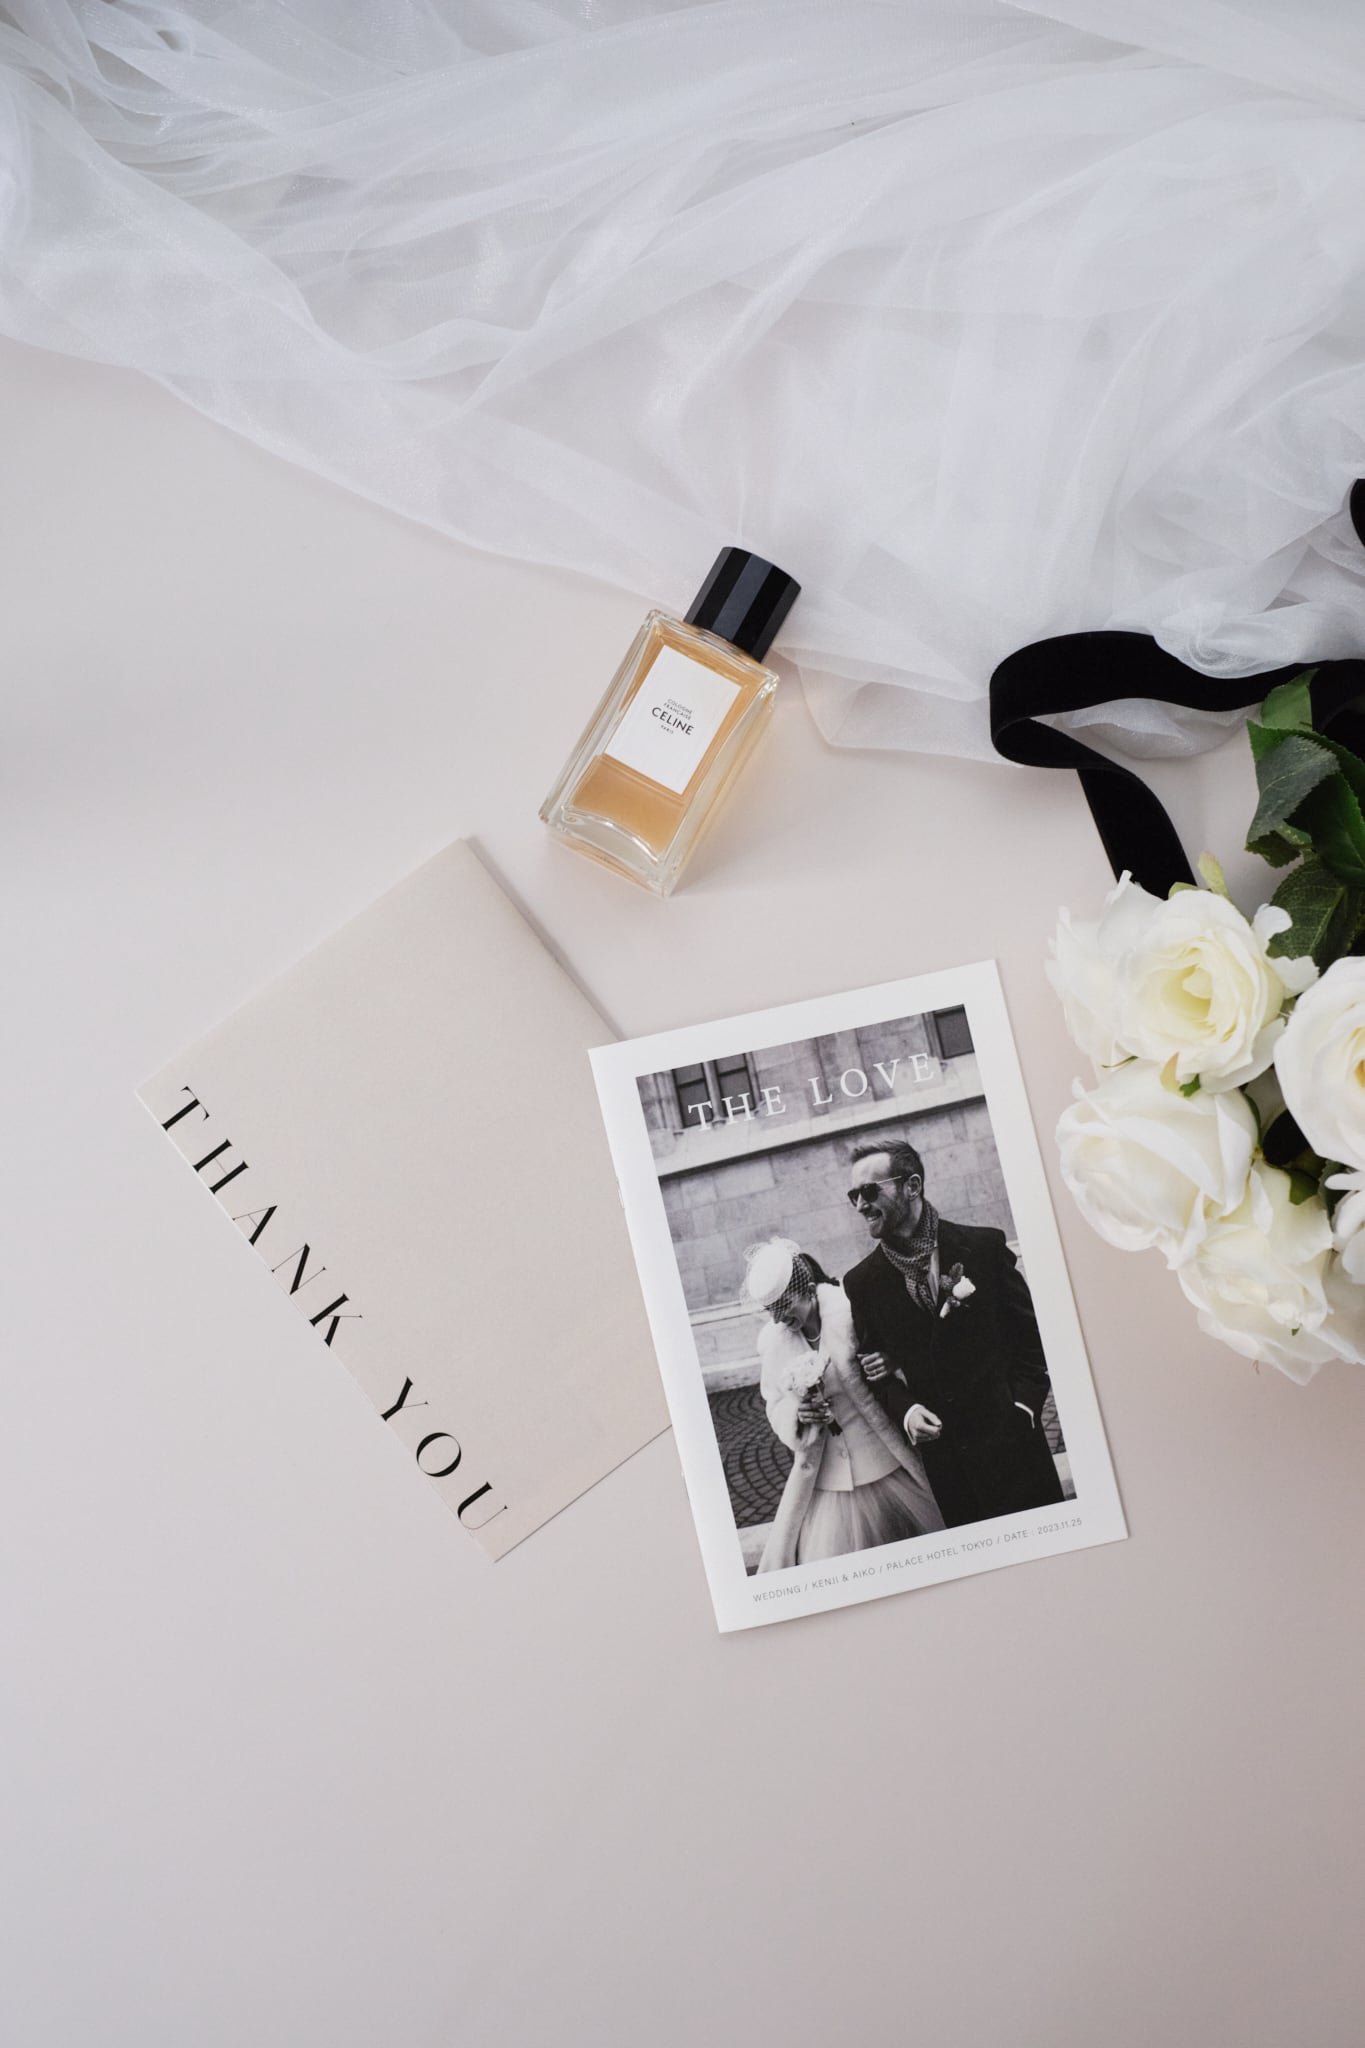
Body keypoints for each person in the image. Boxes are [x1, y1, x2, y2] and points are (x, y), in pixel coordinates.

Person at [842, 1139, 1064, 1529]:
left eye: (870, 1191)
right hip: (950, 1467)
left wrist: (1023, 1410)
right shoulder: (862, 1282)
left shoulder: (984, 1247)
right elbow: (874, 1372)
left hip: (1016, 1454)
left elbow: (1033, 1340)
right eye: (853, 1195)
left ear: (912, 1186)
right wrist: (908, 1411)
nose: (860, 1205)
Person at [742, 1238, 944, 1573]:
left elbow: (898, 1350)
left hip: (882, 1461)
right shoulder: (775, 1344)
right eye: (772, 1311)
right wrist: (796, 1415)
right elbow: (774, 1403)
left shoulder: (848, 1313)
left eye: (784, 1306)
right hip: (828, 1478)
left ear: (808, 1290)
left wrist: (891, 1361)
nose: (778, 1319)